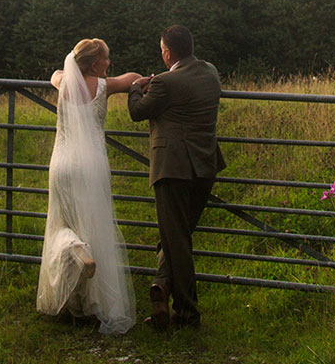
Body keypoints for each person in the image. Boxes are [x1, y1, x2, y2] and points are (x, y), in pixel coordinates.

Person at [36, 38, 143, 334]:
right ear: (95, 64)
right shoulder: (103, 87)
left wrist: (64, 71)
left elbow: (54, 75)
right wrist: (145, 80)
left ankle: (71, 287)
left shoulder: (64, 83)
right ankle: (90, 299)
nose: (109, 63)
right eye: (105, 59)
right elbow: (131, 79)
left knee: (60, 224)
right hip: (91, 167)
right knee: (93, 226)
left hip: (62, 165)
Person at [127, 24, 223, 330]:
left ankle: (187, 314)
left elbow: (138, 111)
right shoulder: (211, 72)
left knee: (175, 240)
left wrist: (135, 86)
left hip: (172, 168)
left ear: (167, 53)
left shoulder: (165, 83)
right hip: (204, 166)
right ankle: (162, 287)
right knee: (177, 238)